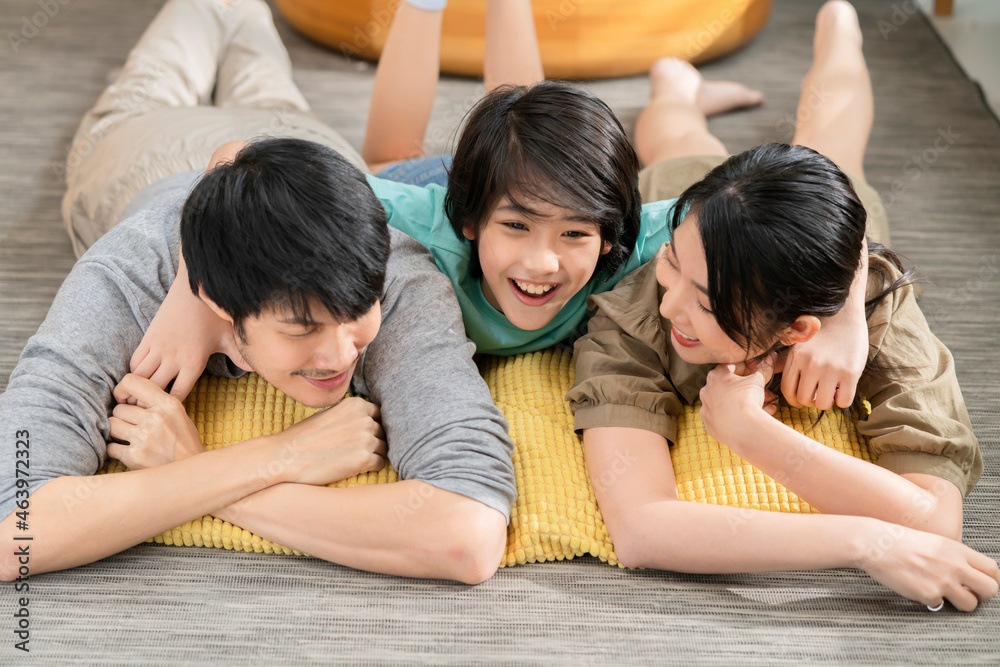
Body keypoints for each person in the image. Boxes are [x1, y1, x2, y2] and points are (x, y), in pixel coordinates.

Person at [146, 0, 868, 419]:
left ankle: (689, 82)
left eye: (576, 235)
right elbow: (233, 155)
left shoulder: (647, 240)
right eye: (518, 230)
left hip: (531, 180)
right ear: (472, 223)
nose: (542, 262)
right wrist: (190, 303)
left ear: (611, 233)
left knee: (540, 139)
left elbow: (829, 203)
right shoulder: (431, 224)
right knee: (388, 156)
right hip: (429, 186)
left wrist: (847, 313)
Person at [0, 0, 516, 584]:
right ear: (219, 303)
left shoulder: (392, 272)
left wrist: (195, 471)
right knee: (168, 59)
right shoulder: (126, 278)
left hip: (297, 145)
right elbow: (13, 529)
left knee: (266, 79)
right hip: (143, 142)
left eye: (356, 316)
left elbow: (466, 536)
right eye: (302, 329)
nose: (343, 353)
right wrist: (280, 457)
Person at [567, 1, 998, 611]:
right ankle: (676, 83)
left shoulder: (885, 322)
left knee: (834, 138)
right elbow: (640, 529)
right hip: (717, 202)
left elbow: (935, 523)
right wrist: (864, 541)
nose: (671, 308)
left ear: (799, 328)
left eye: (708, 302)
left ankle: (840, 28)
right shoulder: (638, 306)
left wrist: (750, 432)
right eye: (672, 265)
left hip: (813, 244)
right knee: (675, 138)